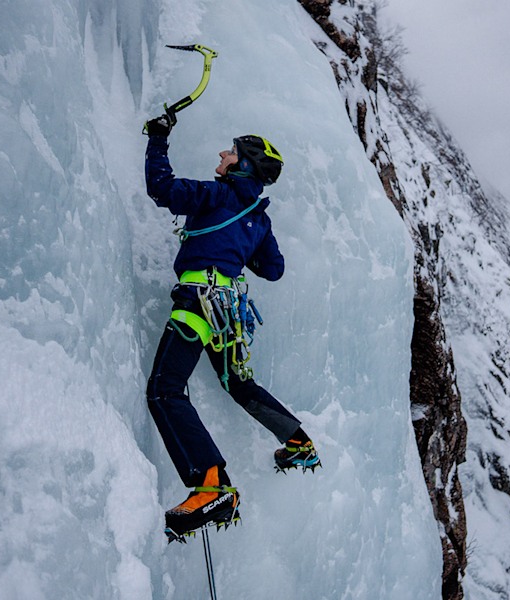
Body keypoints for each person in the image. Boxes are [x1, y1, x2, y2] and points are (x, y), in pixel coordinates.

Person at [143, 110, 320, 541]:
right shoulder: (259, 217)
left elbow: (162, 188)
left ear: (242, 165)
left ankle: (211, 486)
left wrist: (158, 138)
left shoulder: (215, 196)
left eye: (232, 151)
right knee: (239, 384)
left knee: (165, 389)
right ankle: (298, 444)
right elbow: (273, 268)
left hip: (198, 304)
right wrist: (241, 247)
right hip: (229, 312)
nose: (223, 153)